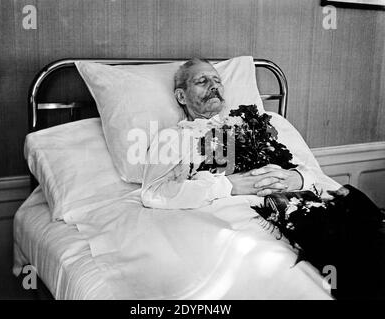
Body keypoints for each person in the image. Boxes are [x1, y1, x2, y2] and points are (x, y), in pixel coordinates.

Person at [141, 58, 338, 209]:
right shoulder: (173, 137)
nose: (214, 86)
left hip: (295, 200)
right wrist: (227, 186)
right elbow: (153, 192)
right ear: (181, 96)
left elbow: (310, 172)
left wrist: (297, 178)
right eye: (202, 81)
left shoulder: (253, 126)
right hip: (240, 216)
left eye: (217, 80)